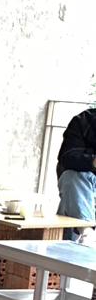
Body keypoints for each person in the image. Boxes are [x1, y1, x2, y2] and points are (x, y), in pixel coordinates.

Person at [57, 103, 96, 244]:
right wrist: (93, 160)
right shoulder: (84, 120)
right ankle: (87, 233)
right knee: (71, 178)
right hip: (85, 185)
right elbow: (67, 157)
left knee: (69, 205)